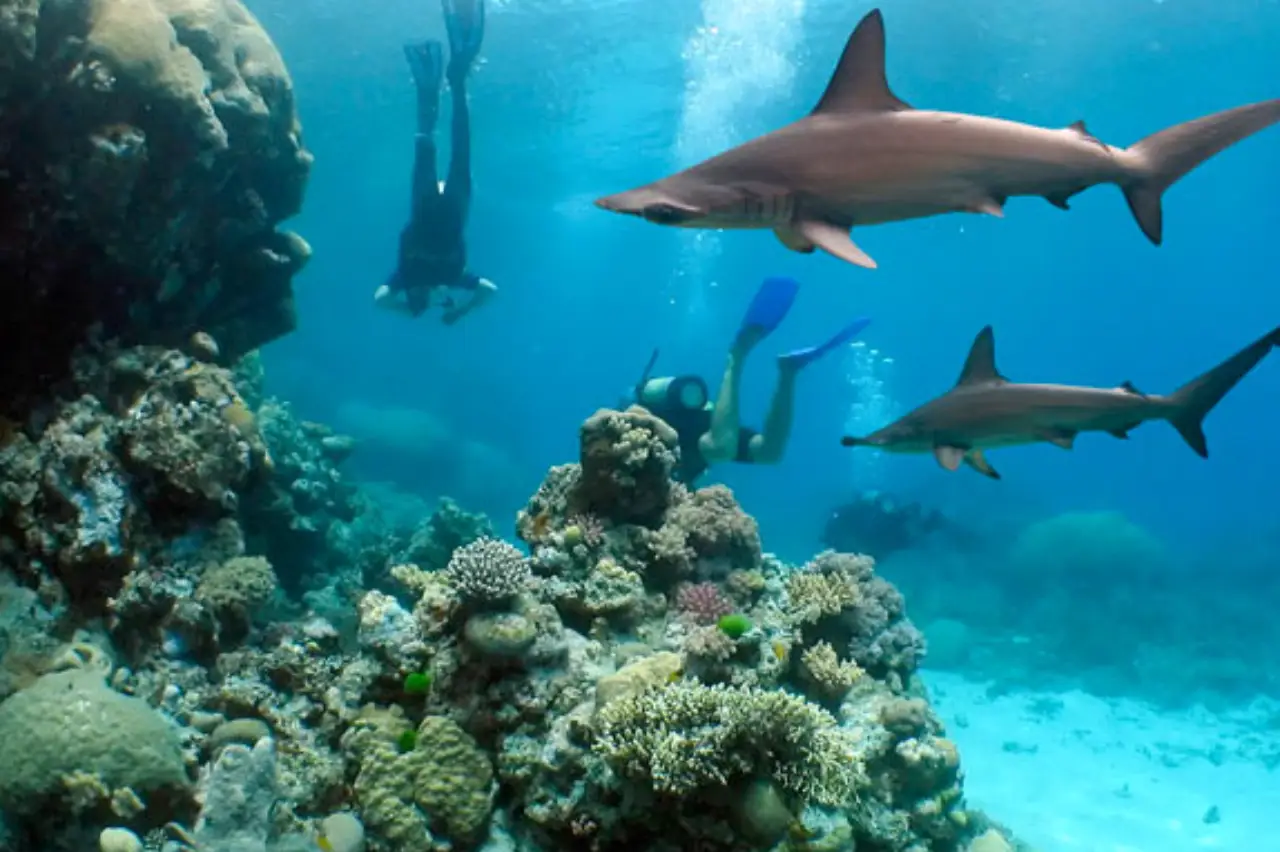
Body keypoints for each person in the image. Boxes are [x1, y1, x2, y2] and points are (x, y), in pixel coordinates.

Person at [631, 276, 871, 485]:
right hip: (691, 434)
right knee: (769, 452)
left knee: (721, 448)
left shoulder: (632, 445)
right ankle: (788, 372)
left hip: (675, 429)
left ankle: (737, 355)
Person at [374, 0, 497, 324]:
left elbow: (380, 299)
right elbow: (490, 290)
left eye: (418, 300)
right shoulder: (445, 278)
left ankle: (451, 84)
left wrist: (411, 309)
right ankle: (453, 82)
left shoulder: (408, 276)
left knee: (451, 147)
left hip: (443, 205)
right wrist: (460, 311)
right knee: (439, 145)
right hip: (443, 204)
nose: (420, 297)